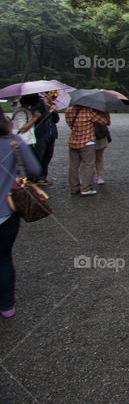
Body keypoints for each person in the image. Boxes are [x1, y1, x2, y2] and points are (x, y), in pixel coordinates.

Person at [0, 111, 42, 318]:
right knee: (4, 258)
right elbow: (34, 169)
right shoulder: (13, 142)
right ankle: (7, 306)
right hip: (6, 211)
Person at [15, 91, 60, 185]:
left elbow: (56, 120)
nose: (54, 97)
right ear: (47, 94)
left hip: (51, 133)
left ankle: (43, 177)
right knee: (39, 156)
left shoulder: (53, 105)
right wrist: (49, 112)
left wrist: (54, 112)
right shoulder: (38, 105)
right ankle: (35, 178)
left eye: (56, 95)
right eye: (53, 95)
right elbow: (38, 120)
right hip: (40, 134)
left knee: (48, 156)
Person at [64, 104, 109, 196]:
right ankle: (85, 188)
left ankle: (74, 188)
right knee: (88, 164)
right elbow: (103, 121)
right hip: (87, 142)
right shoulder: (88, 112)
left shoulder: (68, 111)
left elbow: (70, 124)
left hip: (73, 141)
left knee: (73, 166)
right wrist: (105, 113)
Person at [93, 112, 111, 185]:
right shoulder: (103, 109)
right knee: (99, 158)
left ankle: (84, 177)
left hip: (89, 135)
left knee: (85, 160)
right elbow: (108, 122)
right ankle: (99, 177)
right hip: (100, 134)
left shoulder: (85, 110)